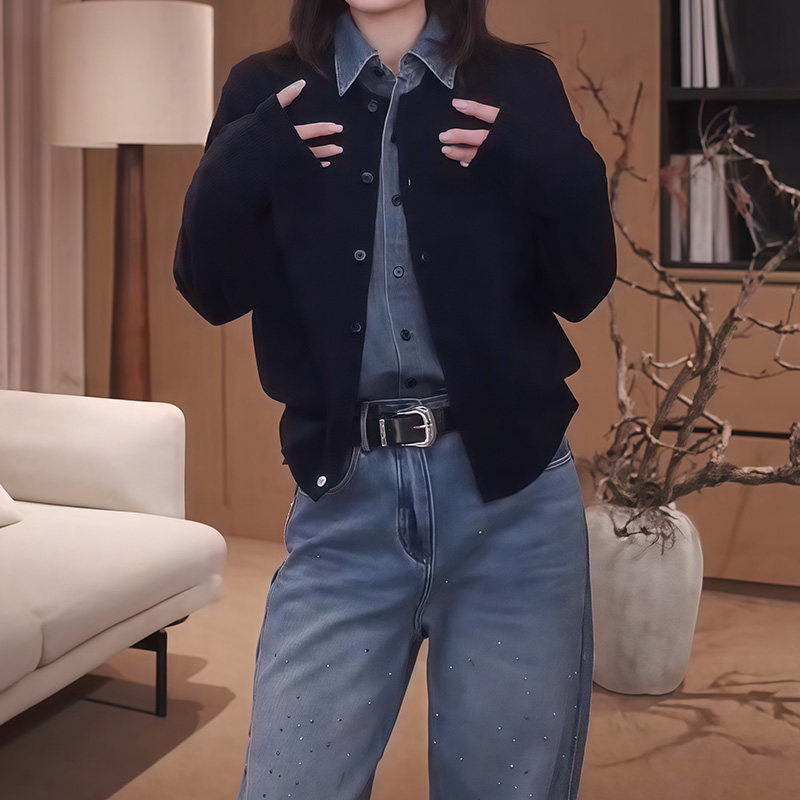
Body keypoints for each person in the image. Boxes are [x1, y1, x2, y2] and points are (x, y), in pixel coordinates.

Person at [173, 1, 617, 798]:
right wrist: (239, 164)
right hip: (346, 505)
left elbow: (582, 287)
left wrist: (548, 162)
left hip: (513, 507)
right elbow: (210, 291)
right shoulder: (266, 90)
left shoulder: (520, 83)